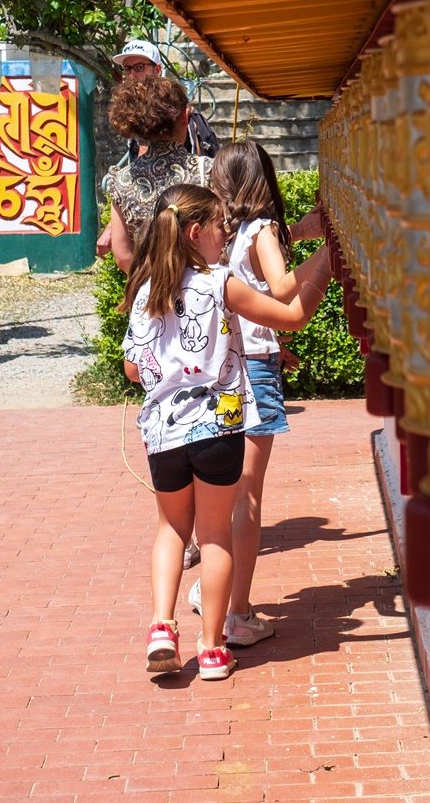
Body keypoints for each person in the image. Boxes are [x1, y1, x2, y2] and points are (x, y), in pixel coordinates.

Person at [123, 183, 332, 681]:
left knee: (171, 530)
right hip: (218, 426)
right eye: (221, 226)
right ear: (197, 232)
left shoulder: (144, 288)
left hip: (162, 433)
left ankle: (160, 627)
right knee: (215, 536)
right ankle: (213, 649)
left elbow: (133, 370)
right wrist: (326, 260)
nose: (227, 235)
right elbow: (293, 316)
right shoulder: (220, 284)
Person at [186, 142, 333, 646]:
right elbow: (282, 288)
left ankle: (216, 591)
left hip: (225, 366)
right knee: (248, 494)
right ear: (263, 177)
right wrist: (328, 252)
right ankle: (238, 612)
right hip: (254, 370)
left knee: (224, 492)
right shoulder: (263, 230)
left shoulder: (224, 234)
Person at [100, 71, 213, 271]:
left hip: (148, 294)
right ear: (184, 119)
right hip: (200, 290)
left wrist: (154, 283)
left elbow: (123, 256)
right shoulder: (206, 171)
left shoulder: (122, 179)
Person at [112, 40, 217, 160]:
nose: (132, 75)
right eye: (127, 68)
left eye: (139, 67)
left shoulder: (177, 112)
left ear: (157, 70)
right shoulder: (129, 111)